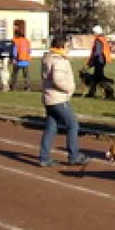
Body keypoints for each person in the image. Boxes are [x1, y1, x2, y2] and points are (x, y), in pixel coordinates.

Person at [38, 36, 90, 167]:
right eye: (67, 46)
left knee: (51, 128)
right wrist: (70, 88)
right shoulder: (59, 60)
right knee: (73, 124)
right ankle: (74, 155)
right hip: (58, 98)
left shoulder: (47, 58)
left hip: (49, 97)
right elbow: (58, 80)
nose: (69, 49)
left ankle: (44, 158)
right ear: (60, 47)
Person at [86, 25, 111, 97]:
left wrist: (92, 62)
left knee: (99, 79)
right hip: (102, 60)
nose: (93, 33)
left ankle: (108, 92)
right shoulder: (103, 38)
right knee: (96, 78)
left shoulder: (98, 40)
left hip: (99, 61)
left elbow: (97, 52)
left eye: (94, 32)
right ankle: (92, 92)